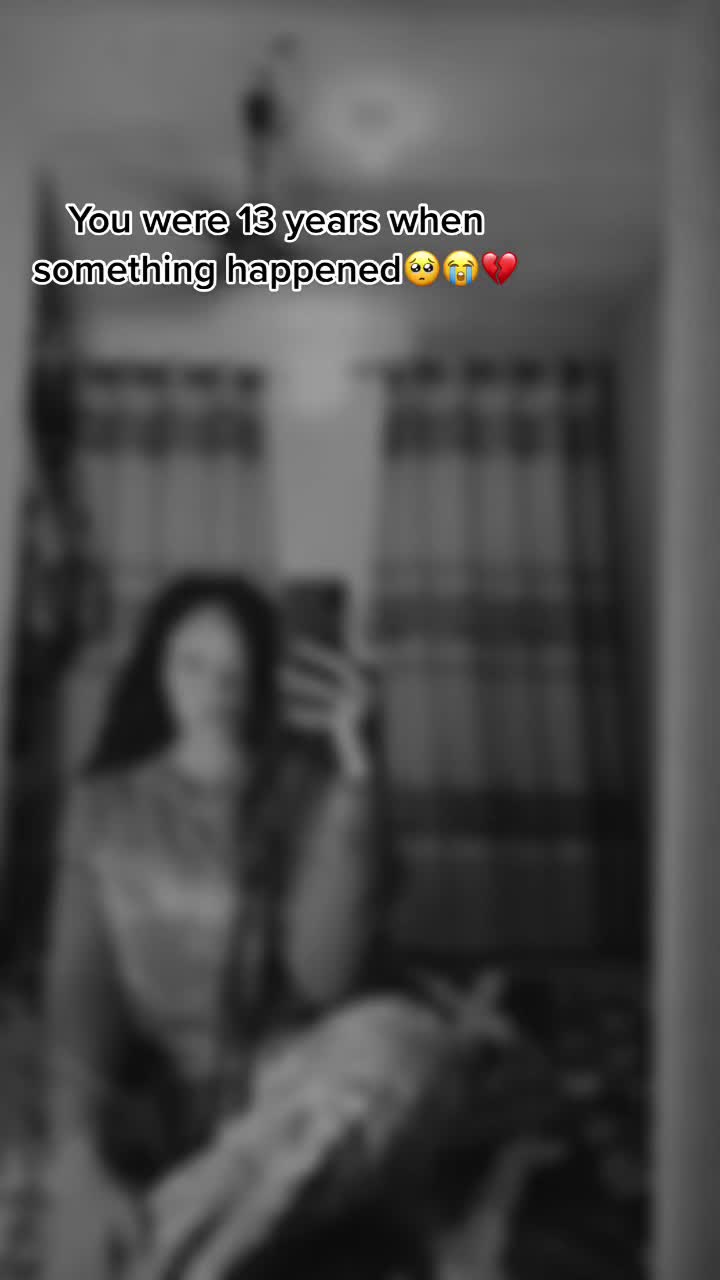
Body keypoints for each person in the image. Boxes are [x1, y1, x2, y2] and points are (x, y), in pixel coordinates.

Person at [45, 573, 385, 1280]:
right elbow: (80, 979)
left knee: (398, 1048)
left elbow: (323, 980)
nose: (212, 689)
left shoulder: (301, 791)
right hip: (151, 1090)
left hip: (284, 1090)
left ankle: (166, 1247)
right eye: (192, 663)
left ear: (263, 681)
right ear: (157, 669)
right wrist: (78, 1153)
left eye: (235, 670)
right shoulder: (104, 804)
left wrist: (353, 771)